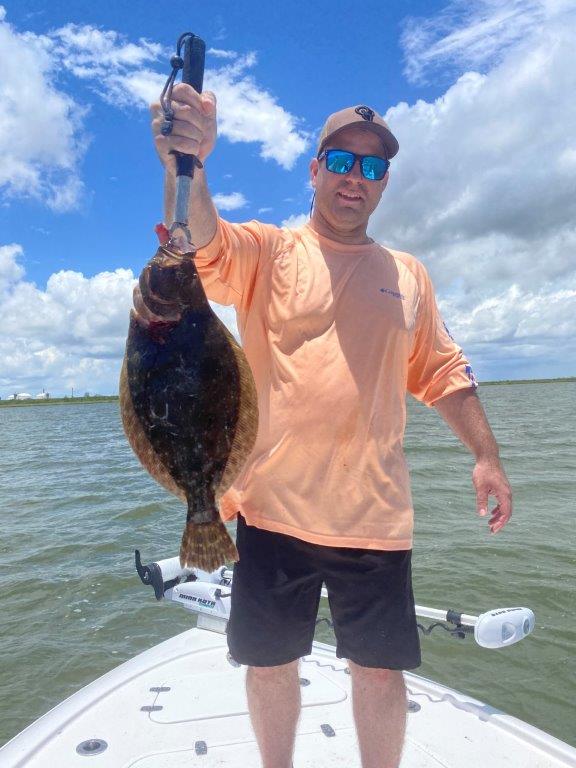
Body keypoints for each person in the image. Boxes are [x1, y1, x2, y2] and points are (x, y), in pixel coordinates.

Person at [135, 85, 513, 768]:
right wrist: (188, 164)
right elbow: (203, 245)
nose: (354, 177)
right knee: (269, 665)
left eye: (372, 167)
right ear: (314, 171)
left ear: (384, 183)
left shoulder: (407, 276)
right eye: (341, 161)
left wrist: (486, 455)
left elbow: (442, 371)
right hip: (271, 512)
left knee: (381, 673)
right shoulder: (271, 253)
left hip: (374, 517)